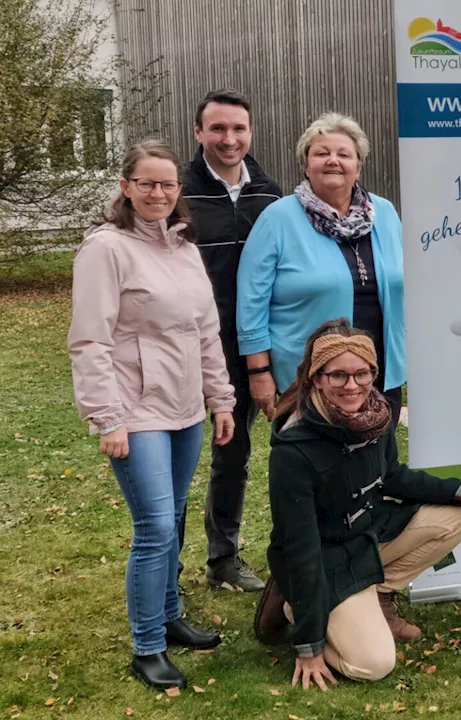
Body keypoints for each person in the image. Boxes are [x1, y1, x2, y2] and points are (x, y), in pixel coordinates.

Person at [68, 139, 236, 690]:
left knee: (176, 518)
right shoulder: (106, 249)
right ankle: (147, 647)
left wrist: (221, 400)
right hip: (135, 412)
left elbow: (205, 332)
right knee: (156, 527)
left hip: (186, 409)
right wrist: (107, 417)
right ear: (126, 187)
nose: (158, 193)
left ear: (178, 190)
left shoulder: (185, 247)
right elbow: (90, 340)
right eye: (147, 183)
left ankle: (169, 614)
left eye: (167, 184)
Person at [252, 319, 461, 689]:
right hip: (324, 558)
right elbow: (301, 545)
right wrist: (309, 645)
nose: (352, 385)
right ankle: (294, 605)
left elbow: (392, 475)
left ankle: (378, 593)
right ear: (317, 377)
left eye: (362, 373)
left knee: (459, 515)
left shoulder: (376, 416)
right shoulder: (293, 451)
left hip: (366, 537)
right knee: (374, 664)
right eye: (338, 376)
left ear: (374, 374)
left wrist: (454, 490)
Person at [237, 112, 407, 427]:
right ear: (305, 164)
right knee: (314, 467)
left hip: (379, 371)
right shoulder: (277, 219)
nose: (333, 161)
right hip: (309, 376)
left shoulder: (385, 213)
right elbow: (251, 301)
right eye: (321, 153)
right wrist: (258, 372)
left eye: (344, 154)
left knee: (378, 466)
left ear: (359, 165)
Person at [181, 88, 283, 592]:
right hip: (184, 347)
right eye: (217, 128)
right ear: (199, 132)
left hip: (246, 347)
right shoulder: (175, 190)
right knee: (176, 455)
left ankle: (223, 557)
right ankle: (165, 566)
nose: (229, 139)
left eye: (238, 129)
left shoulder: (270, 193)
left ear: (250, 132)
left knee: (232, 452)